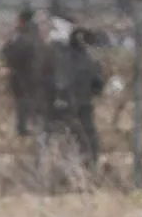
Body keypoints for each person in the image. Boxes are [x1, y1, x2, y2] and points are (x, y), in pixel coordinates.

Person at [43, 19, 105, 169]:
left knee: (54, 133)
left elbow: (58, 79)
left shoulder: (60, 54)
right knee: (86, 135)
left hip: (65, 102)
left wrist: (59, 96)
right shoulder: (89, 56)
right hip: (83, 101)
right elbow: (97, 83)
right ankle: (89, 164)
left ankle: (54, 165)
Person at [0, 8, 44, 136]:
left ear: (22, 20)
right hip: (35, 73)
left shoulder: (22, 36)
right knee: (33, 100)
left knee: (23, 102)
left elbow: (11, 54)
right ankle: (35, 126)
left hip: (22, 74)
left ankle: (24, 129)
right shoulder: (37, 34)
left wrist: (6, 48)